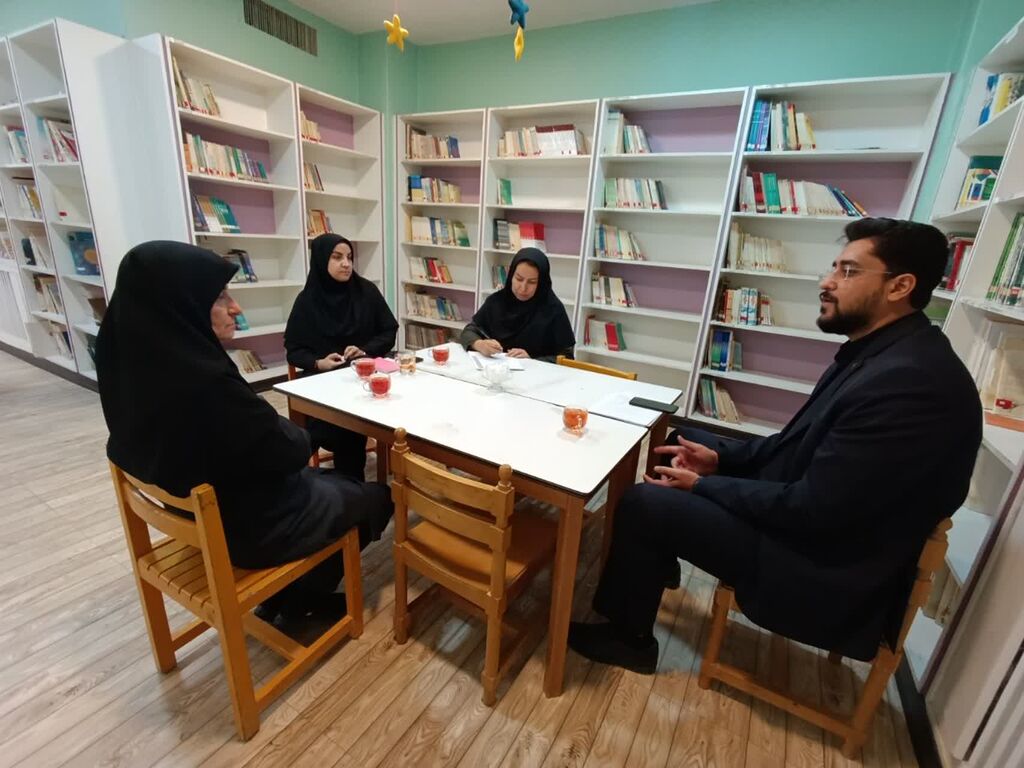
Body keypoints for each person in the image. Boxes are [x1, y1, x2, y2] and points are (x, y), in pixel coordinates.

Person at [568, 218, 983, 673]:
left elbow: (814, 511)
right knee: (680, 443)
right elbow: (793, 445)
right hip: (815, 520)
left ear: (900, 286)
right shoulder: (884, 352)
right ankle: (652, 563)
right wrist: (719, 458)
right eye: (834, 267)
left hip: (822, 565)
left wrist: (702, 486)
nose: (827, 282)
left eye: (848, 271)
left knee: (645, 503)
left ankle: (630, 639)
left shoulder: (909, 385)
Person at [96, 241, 393, 626]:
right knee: (376, 496)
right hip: (249, 527)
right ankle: (301, 601)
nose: (235, 307)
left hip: (199, 510)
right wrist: (301, 435)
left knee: (337, 480)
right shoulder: (207, 382)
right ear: (183, 304)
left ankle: (284, 596)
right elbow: (286, 451)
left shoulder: (130, 362)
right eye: (221, 297)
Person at [285, 233, 398, 478]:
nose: (346, 264)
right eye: (337, 257)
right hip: (320, 382)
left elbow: (389, 330)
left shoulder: (366, 291)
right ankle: (320, 483)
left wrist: (365, 351)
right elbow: (293, 349)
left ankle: (349, 486)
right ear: (321, 260)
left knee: (354, 424)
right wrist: (319, 363)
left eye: (349, 257)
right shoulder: (307, 300)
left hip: (362, 378)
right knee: (327, 429)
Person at [460, 247, 575, 362]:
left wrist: (532, 359)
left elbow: (567, 357)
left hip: (535, 372)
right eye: (519, 279)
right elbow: (469, 331)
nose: (523, 288)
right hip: (496, 369)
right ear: (511, 276)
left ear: (541, 284)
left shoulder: (553, 310)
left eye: (532, 282)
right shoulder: (496, 301)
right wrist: (480, 344)